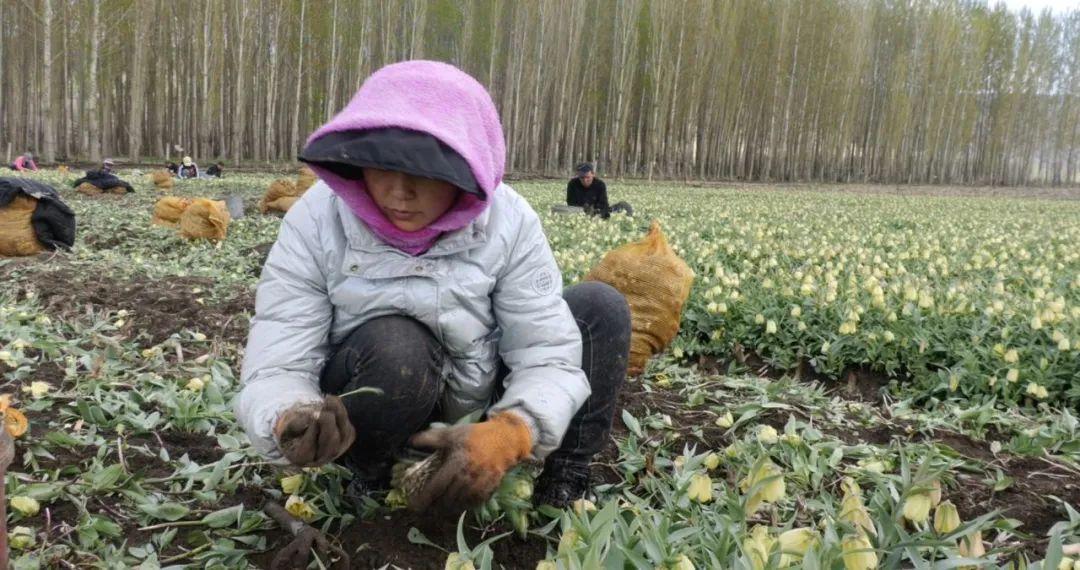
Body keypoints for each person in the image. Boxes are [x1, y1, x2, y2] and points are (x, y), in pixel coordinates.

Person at [234, 60, 631, 513]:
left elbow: (546, 349)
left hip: (482, 399)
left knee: (599, 307)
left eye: (424, 173)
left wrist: (513, 431)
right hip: (375, 397)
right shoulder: (317, 219)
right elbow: (278, 357)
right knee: (397, 347)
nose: (399, 193)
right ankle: (372, 473)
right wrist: (288, 415)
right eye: (381, 167)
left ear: (467, 171)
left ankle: (565, 475)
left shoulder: (509, 221)